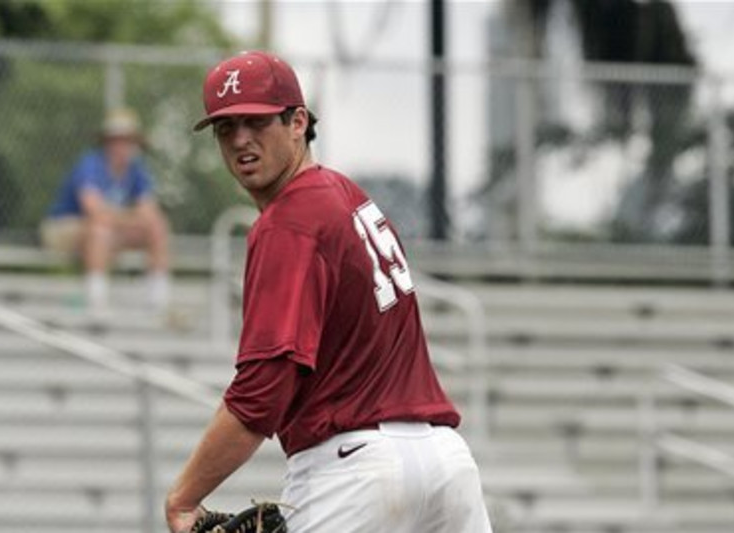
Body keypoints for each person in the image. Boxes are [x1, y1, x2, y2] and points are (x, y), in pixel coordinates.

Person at [165, 51, 494, 533]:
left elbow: (263, 390)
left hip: (354, 471)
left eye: (256, 122)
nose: (240, 140)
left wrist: (184, 497)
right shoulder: (350, 197)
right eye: (225, 127)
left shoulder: (288, 222)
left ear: (298, 121)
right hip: (446, 466)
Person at [41, 107, 172, 312]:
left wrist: (129, 220)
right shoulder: (90, 163)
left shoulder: (137, 169)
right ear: (107, 141)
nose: (122, 145)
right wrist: (131, 219)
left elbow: (150, 212)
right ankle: (96, 300)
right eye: (117, 139)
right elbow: (93, 211)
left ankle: (159, 299)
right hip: (63, 227)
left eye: (128, 140)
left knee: (157, 226)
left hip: (108, 230)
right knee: (100, 230)